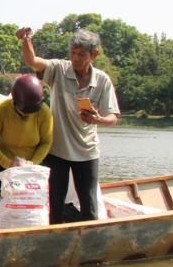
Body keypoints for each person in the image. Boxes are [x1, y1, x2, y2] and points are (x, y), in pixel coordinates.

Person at [18, 27, 120, 223]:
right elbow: (32, 61)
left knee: (89, 206)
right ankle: (55, 245)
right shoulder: (59, 70)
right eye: (73, 53)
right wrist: (26, 40)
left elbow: (113, 117)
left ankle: (88, 246)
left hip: (87, 151)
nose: (76, 58)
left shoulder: (102, 80)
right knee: (54, 205)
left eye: (82, 54)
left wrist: (99, 120)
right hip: (57, 150)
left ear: (94, 54)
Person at [0, 74, 53, 197]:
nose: (27, 114)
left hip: (34, 167)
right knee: (7, 207)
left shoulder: (44, 112)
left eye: (32, 110)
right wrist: (7, 163)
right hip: (6, 167)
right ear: (15, 100)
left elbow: (46, 142)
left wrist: (32, 164)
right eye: (24, 109)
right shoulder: (0, 110)